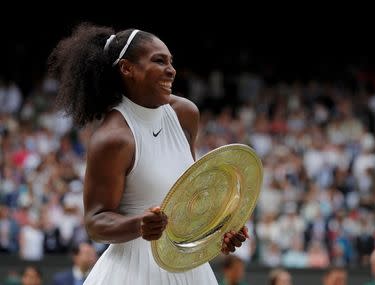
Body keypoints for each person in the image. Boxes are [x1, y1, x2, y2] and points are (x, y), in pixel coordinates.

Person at [48, 23, 249, 284]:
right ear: (127, 68)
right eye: (159, 61)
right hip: (132, 271)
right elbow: (95, 222)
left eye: (171, 61)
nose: (171, 70)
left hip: (189, 270)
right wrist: (138, 225)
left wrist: (219, 232)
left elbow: (189, 195)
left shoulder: (186, 114)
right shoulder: (113, 138)